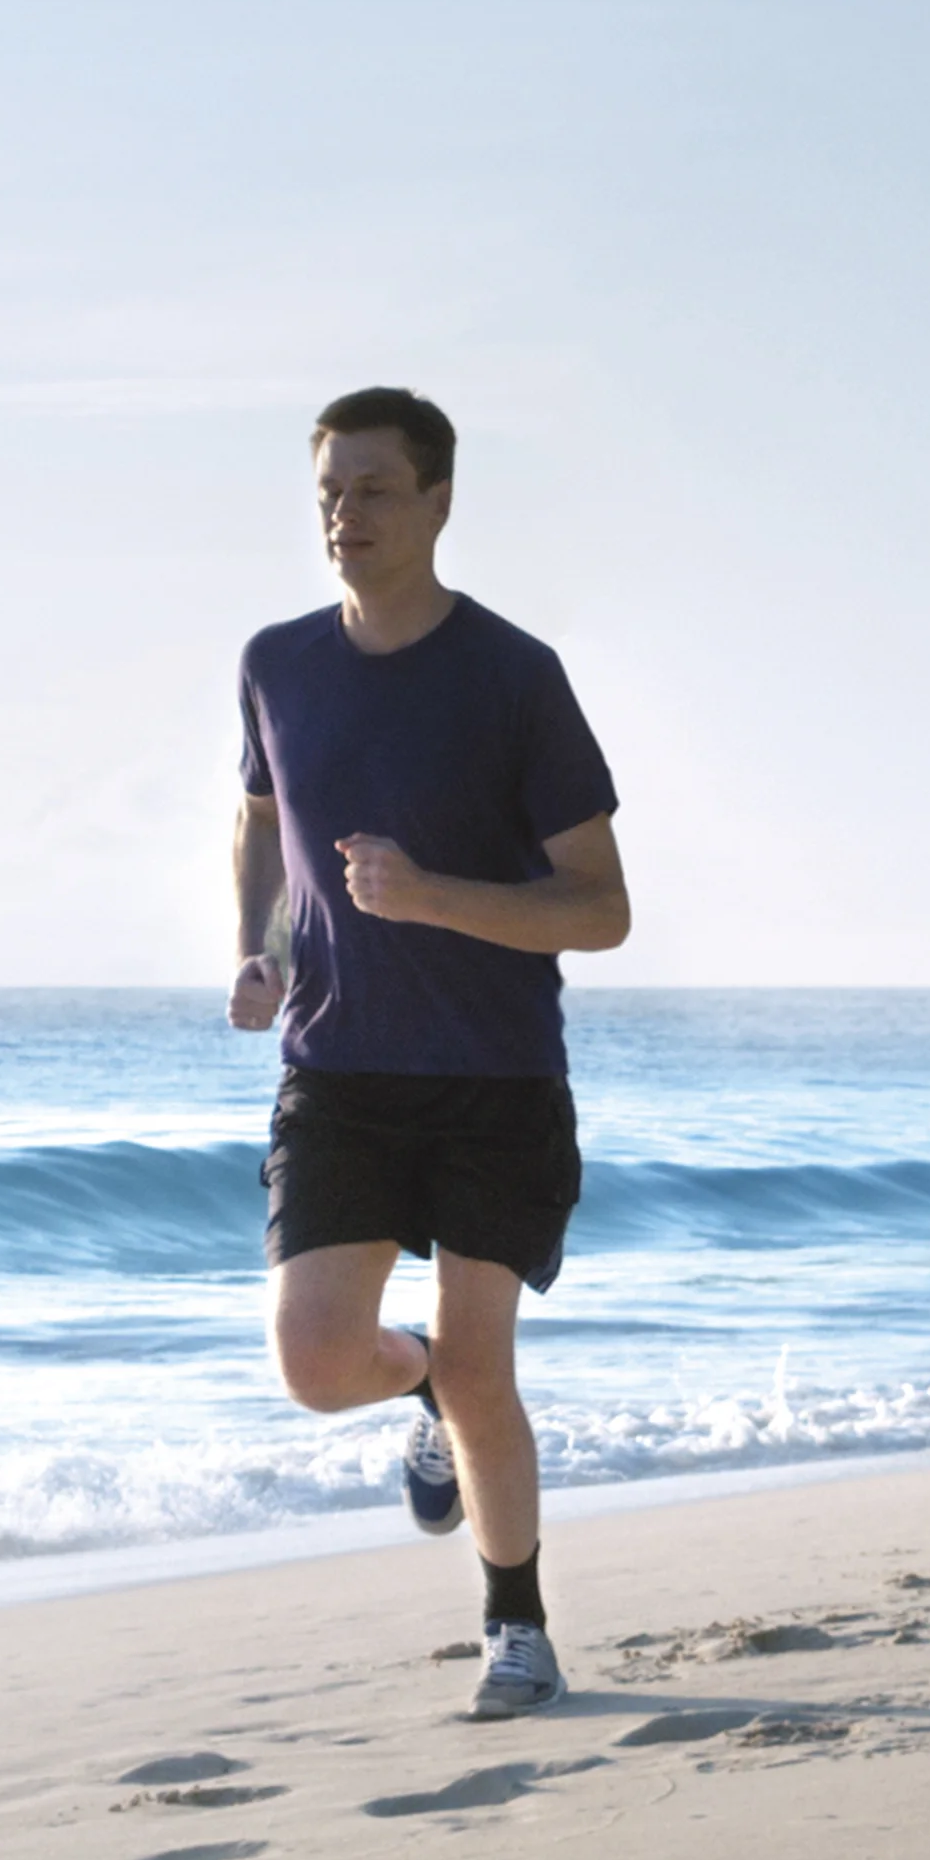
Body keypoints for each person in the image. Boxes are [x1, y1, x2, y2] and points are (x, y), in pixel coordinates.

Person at [229, 387, 634, 1715]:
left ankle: (519, 1629)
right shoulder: (277, 663)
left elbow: (602, 906)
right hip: (337, 1067)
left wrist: (431, 898)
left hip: (493, 1074)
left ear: (439, 501)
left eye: (376, 489)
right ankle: (422, 1394)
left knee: (483, 1365)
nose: (345, 514)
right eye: (330, 491)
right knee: (315, 1363)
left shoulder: (514, 676)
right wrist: (261, 947)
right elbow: (265, 820)